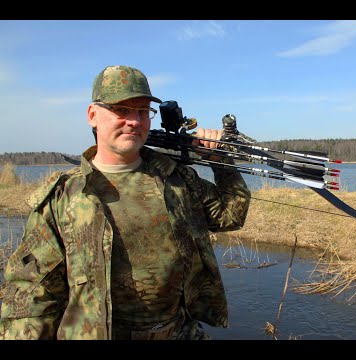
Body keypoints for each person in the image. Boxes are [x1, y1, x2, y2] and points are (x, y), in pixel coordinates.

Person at [0, 65, 251, 340]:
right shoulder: (64, 195)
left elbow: (231, 215)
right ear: (93, 115)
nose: (134, 121)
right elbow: (32, 295)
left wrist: (222, 162)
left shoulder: (177, 179)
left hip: (180, 333)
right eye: (121, 110)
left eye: (143, 111)